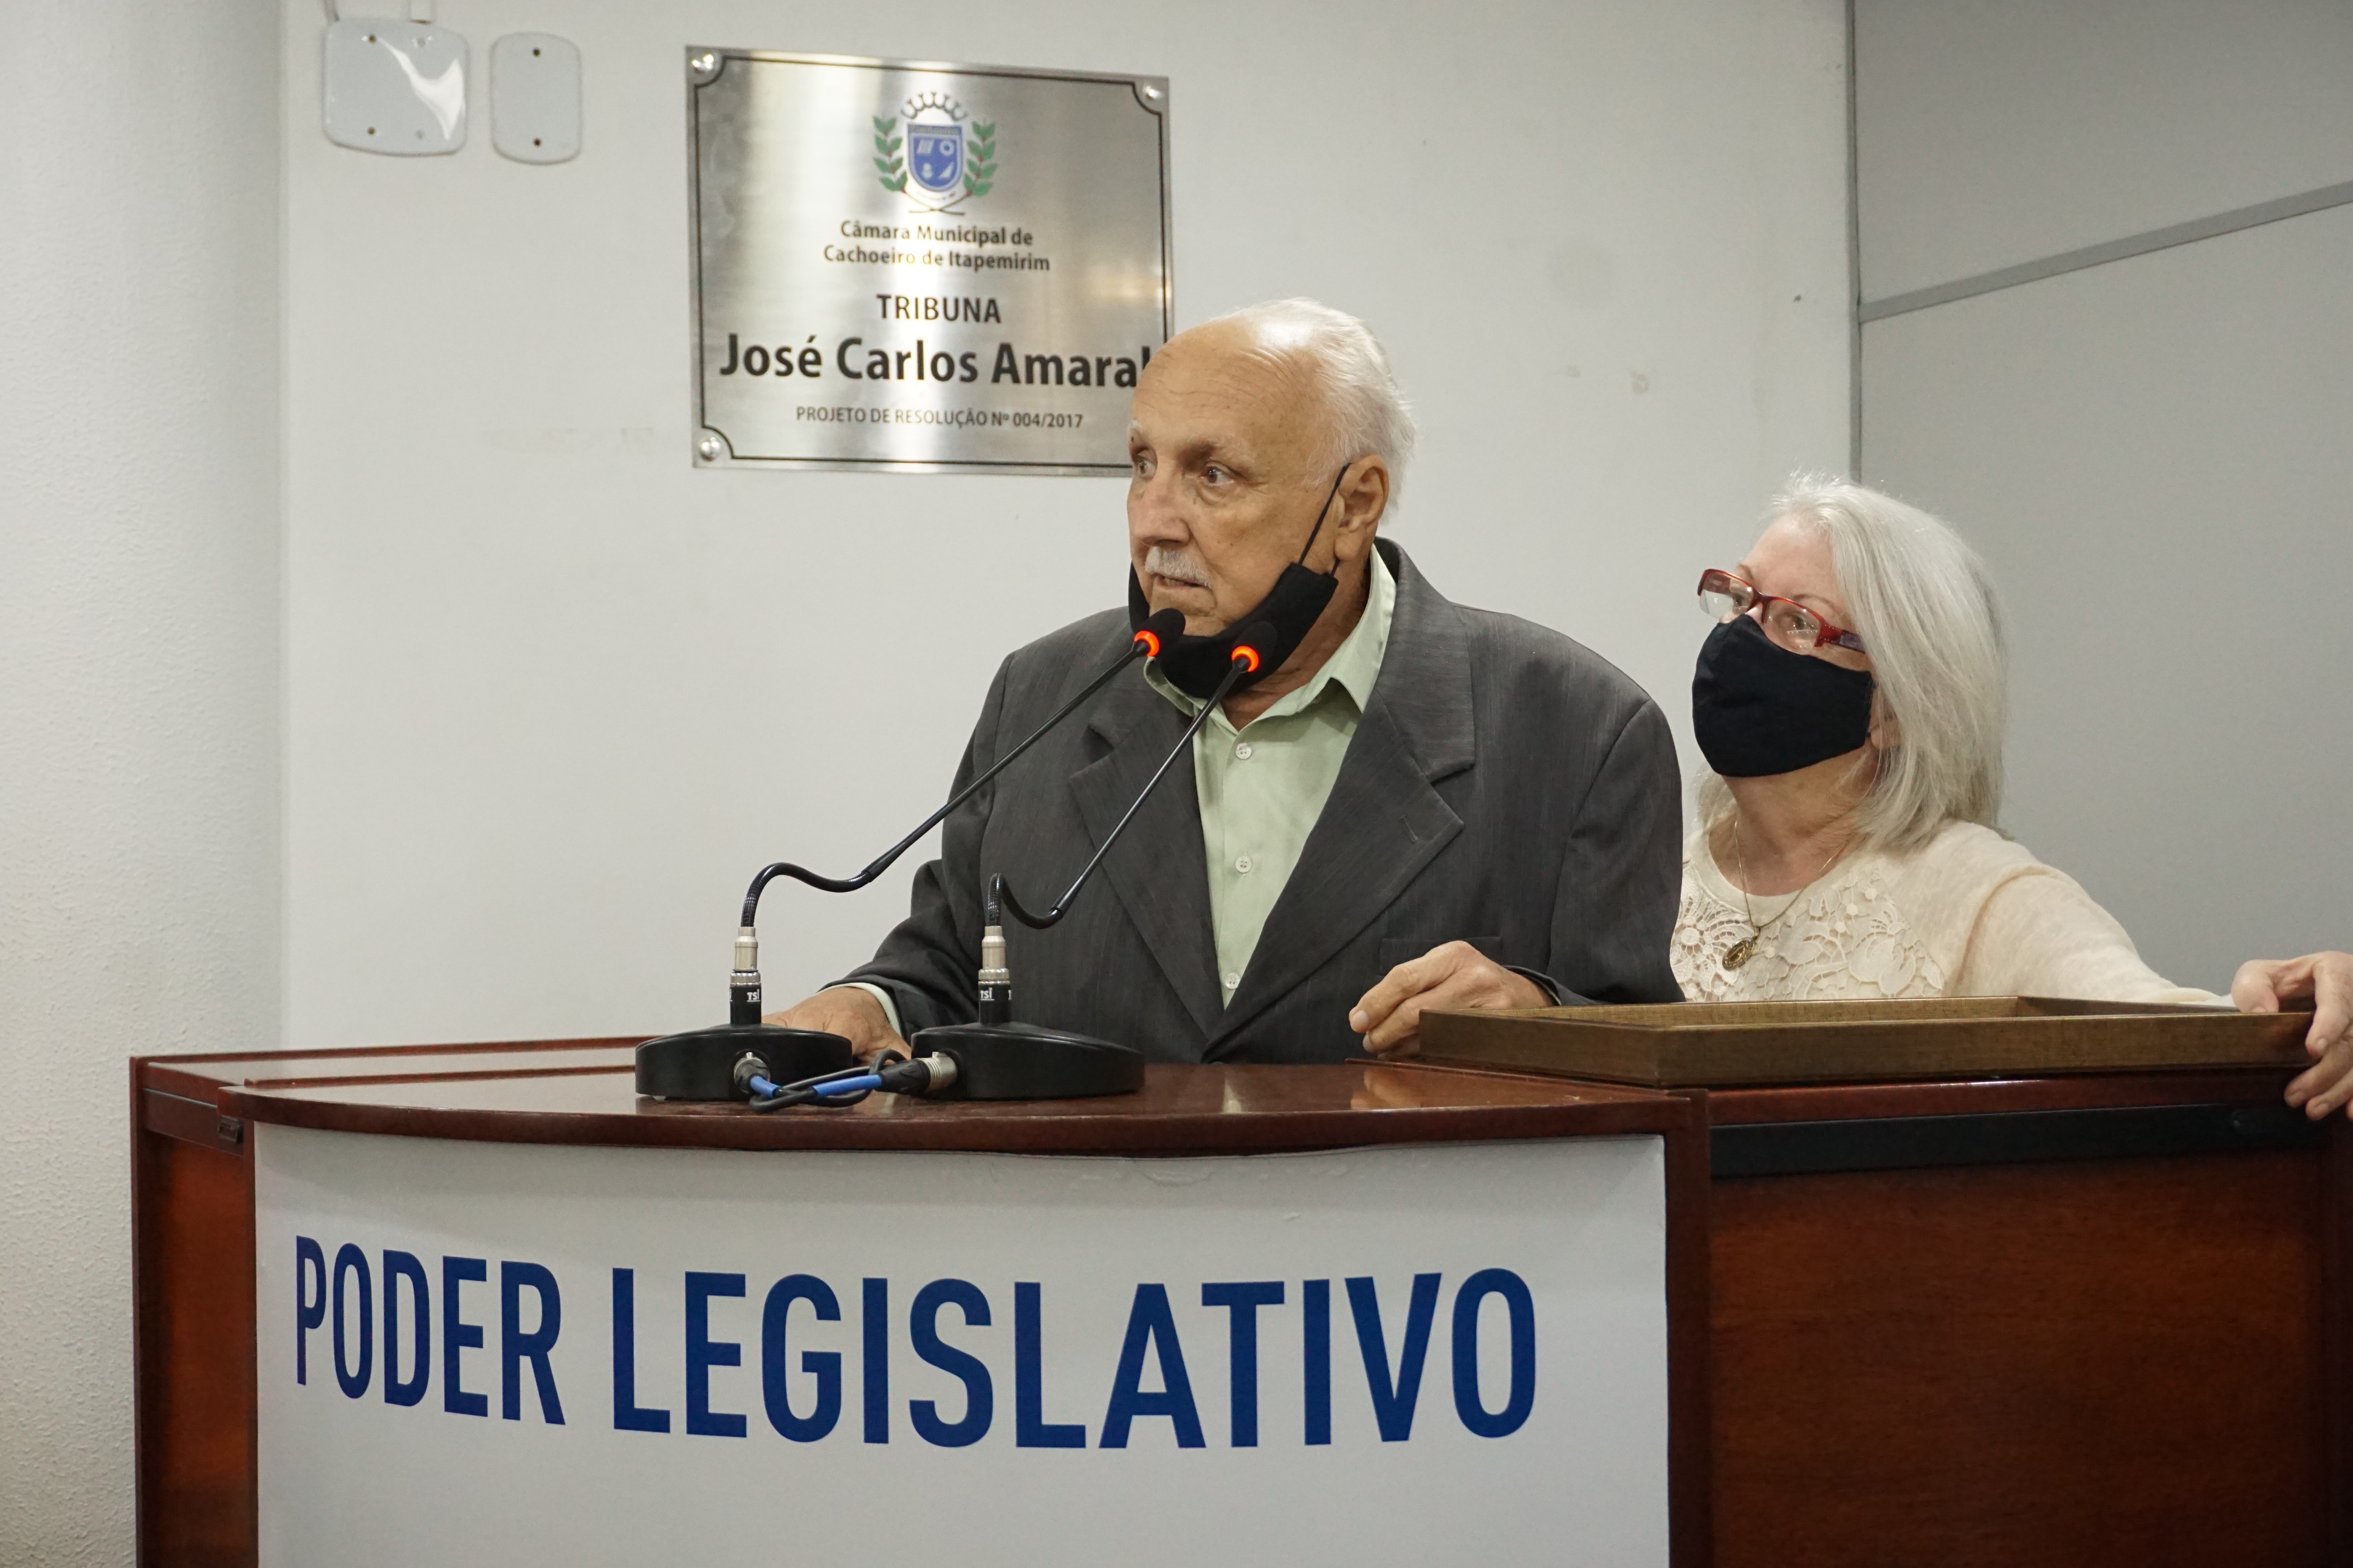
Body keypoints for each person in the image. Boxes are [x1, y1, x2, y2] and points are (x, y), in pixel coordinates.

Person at [766, 299, 1685, 1063]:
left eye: (1213, 474)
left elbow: (1647, 1051)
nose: (1153, 521)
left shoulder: (1578, 730)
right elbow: (948, 968)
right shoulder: (1040, 695)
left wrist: (1537, 1014)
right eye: (1142, 466)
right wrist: (868, 1004)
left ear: (1353, 505)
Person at [1672, 475, 2353, 1116]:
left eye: (1796, 621)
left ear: (1896, 707)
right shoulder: (1654, 875)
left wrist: (2303, 1009)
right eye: (1740, 596)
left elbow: (2167, 1029)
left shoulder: (1978, 892)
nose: (1736, 635)